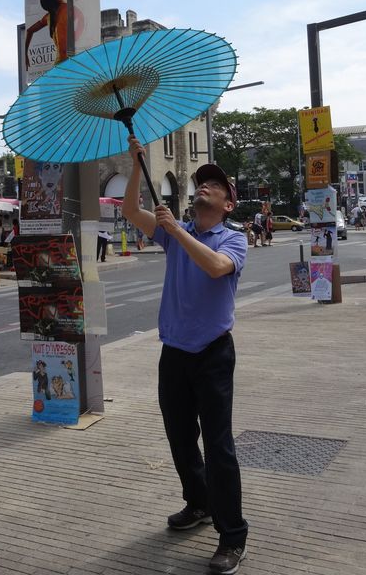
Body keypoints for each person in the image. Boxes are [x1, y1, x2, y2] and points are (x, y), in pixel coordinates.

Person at [122, 137, 249, 575]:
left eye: (215, 185)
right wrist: (137, 165)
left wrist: (177, 231)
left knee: (218, 446)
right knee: (179, 437)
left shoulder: (233, 239)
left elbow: (215, 267)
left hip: (213, 353)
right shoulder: (177, 231)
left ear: (228, 204)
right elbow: (130, 210)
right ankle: (199, 503)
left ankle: (232, 536)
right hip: (174, 352)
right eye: (201, 183)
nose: (204, 187)